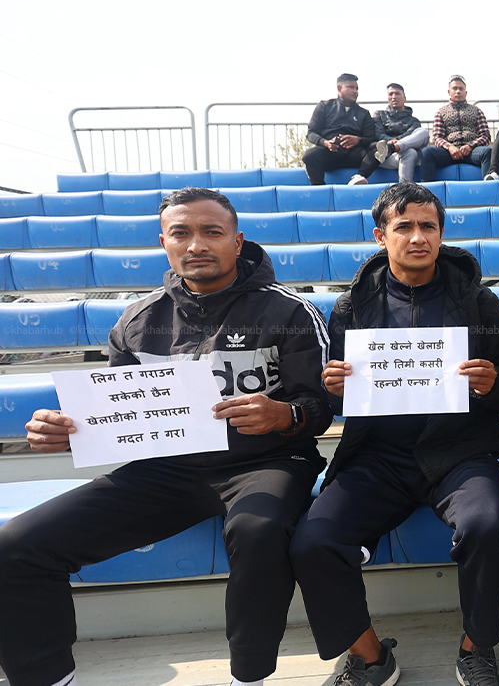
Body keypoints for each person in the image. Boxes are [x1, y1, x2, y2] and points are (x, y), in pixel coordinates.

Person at [0, 187, 333, 686]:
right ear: (164, 242)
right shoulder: (138, 319)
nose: (196, 245)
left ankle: (249, 676)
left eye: (211, 232)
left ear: (237, 241)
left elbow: (321, 408)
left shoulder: (290, 312)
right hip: (166, 469)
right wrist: (72, 432)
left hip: (268, 462)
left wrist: (285, 415)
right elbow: (119, 414)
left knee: (258, 531)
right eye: (181, 233)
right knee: (15, 545)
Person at [290, 182, 499, 686]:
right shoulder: (350, 307)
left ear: (441, 233)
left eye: (428, 226)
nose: (417, 237)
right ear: (380, 235)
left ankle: (477, 647)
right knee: (313, 542)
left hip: (460, 454)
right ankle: (370, 657)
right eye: (404, 226)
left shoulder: (478, 301)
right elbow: (339, 398)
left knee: (484, 526)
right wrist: (335, 389)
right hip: (378, 457)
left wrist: (492, 383)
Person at [303, 73, 381, 185]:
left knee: (378, 147)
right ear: (339, 88)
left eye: (357, 88)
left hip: (354, 154)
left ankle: (359, 177)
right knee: (309, 155)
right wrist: (326, 143)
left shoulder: (364, 113)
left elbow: (371, 137)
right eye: (351, 87)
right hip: (330, 153)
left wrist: (357, 140)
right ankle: (320, 188)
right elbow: (311, 133)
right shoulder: (324, 106)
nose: (355, 91)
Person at [420, 75, 492, 182]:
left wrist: (471, 145)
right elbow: (437, 138)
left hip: (471, 152)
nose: (458, 91)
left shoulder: (477, 111)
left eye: (461, 89)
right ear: (449, 92)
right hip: (449, 153)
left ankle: (489, 187)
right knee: (427, 152)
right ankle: (425, 190)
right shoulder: (441, 112)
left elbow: (486, 136)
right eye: (454, 88)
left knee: (487, 152)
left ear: (465, 92)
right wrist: (450, 147)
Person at [371, 83, 429, 183]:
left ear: (404, 98)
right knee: (410, 152)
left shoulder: (414, 121)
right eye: (391, 94)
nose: (394, 97)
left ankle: (404, 187)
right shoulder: (379, 115)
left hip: (405, 155)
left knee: (422, 133)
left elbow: (411, 134)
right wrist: (390, 141)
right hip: (384, 156)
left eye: (397, 93)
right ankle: (405, 187)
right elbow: (378, 134)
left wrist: (397, 142)